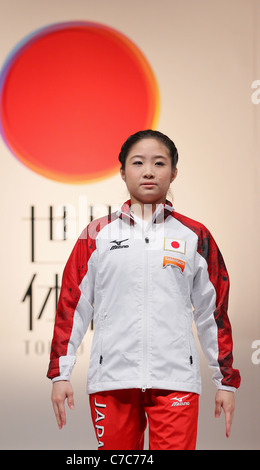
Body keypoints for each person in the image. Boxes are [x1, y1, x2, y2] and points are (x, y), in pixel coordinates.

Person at [47, 129, 241, 450]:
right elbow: (73, 304)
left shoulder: (195, 236)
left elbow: (213, 313)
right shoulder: (96, 234)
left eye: (159, 163)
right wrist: (60, 374)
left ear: (174, 172)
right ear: (123, 171)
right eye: (138, 162)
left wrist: (226, 382)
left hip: (175, 379)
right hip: (112, 380)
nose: (149, 171)